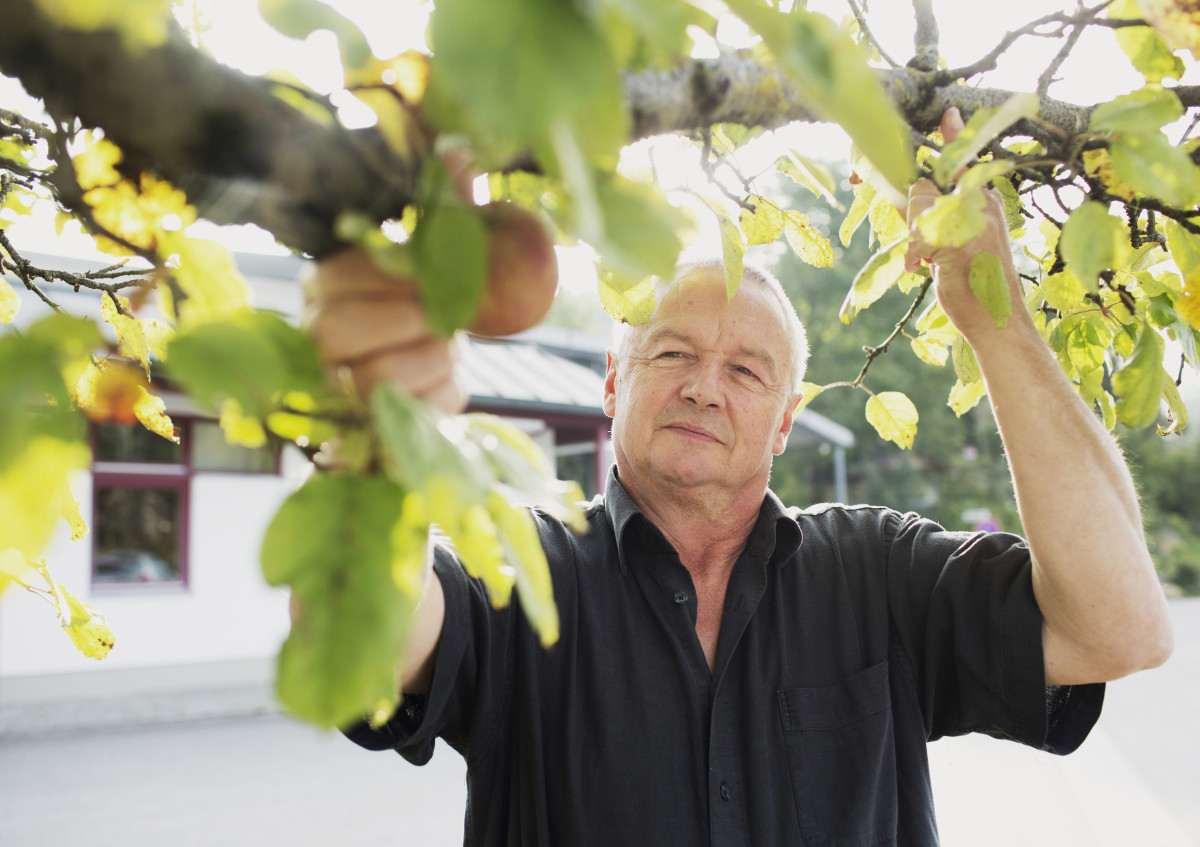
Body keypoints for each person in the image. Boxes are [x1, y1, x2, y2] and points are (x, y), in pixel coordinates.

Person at [303, 110, 1174, 846]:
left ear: (788, 419)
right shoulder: (523, 570)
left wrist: (997, 320)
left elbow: (1123, 627)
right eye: (672, 351)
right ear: (615, 384)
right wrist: (383, 426)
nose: (702, 386)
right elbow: (361, 639)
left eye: (748, 371)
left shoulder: (879, 574)